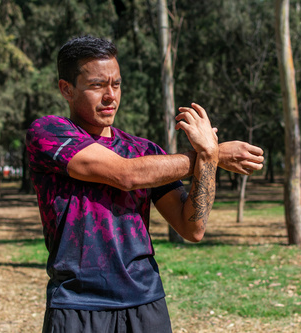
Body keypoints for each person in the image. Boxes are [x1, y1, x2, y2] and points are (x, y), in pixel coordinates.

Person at [26, 35, 264, 333]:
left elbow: (192, 228)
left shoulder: (144, 151)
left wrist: (208, 162)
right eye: (97, 85)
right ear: (67, 89)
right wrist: (213, 154)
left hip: (146, 304)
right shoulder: (49, 133)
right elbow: (126, 175)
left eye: (116, 84)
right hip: (78, 305)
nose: (111, 95)